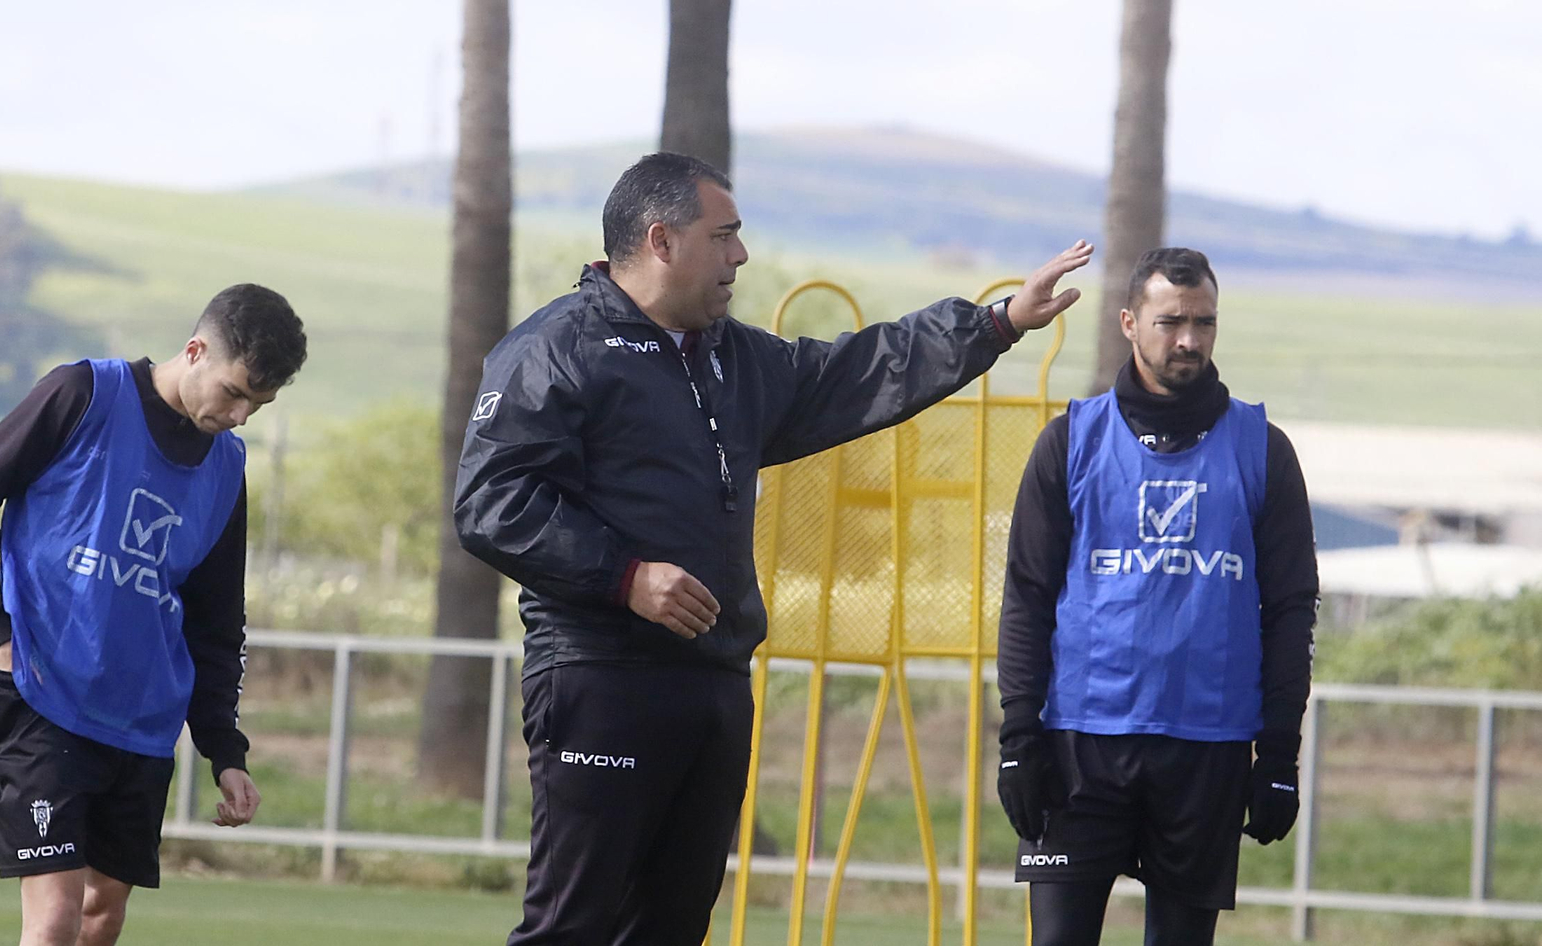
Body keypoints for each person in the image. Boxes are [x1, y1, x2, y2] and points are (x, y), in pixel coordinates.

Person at [454, 151, 1092, 945]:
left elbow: (858, 371)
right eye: (724, 236)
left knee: (672, 927)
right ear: (661, 240)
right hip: (600, 677)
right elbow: (489, 501)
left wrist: (993, 324)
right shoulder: (555, 349)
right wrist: (625, 576)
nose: (740, 256)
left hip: (715, 683)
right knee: (572, 927)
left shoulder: (732, 356)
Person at [0, 284, 307, 946]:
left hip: (143, 723)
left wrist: (224, 750)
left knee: (99, 919)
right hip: (44, 698)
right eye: (234, 391)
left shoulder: (227, 466)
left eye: (260, 403)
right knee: (52, 919)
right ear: (195, 351)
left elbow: (216, 623)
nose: (243, 415)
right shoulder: (83, 394)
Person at [995, 247, 1319, 945]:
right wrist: (1019, 737)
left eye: (1204, 323)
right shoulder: (1070, 443)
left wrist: (1280, 755)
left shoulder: (1264, 451)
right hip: (1080, 744)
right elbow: (1026, 595)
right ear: (1129, 323)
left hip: (1209, 747)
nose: (1189, 340)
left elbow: (1291, 613)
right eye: (1171, 322)